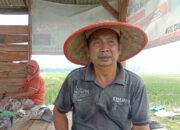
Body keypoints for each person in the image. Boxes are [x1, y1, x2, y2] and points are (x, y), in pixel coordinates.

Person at [53, 21, 150, 130]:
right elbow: (59, 111)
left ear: (119, 49)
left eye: (111, 42)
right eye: (97, 43)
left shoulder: (135, 84)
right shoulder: (75, 79)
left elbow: (141, 125)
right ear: (88, 51)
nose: (104, 48)